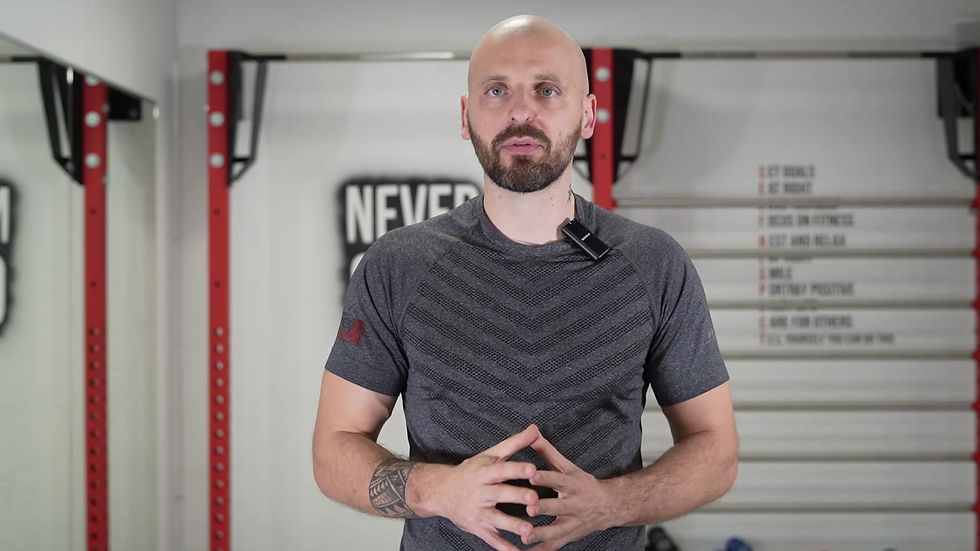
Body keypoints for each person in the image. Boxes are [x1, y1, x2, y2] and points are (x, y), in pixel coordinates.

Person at [313, 14, 738, 551]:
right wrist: (439, 491)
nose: (520, 112)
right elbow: (333, 450)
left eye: (547, 90)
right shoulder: (398, 266)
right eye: (497, 91)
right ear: (466, 116)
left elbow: (716, 451)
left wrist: (613, 504)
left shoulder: (653, 264)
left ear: (587, 115)